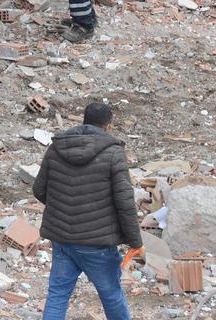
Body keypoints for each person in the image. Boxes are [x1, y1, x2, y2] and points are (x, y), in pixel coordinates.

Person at [33, 102, 143, 320]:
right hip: (98, 243)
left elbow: (39, 190)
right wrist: (135, 241)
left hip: (62, 240)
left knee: (57, 295)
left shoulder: (56, 148)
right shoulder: (113, 153)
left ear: (84, 120)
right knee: (111, 294)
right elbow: (125, 202)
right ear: (108, 126)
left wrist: (63, 209)